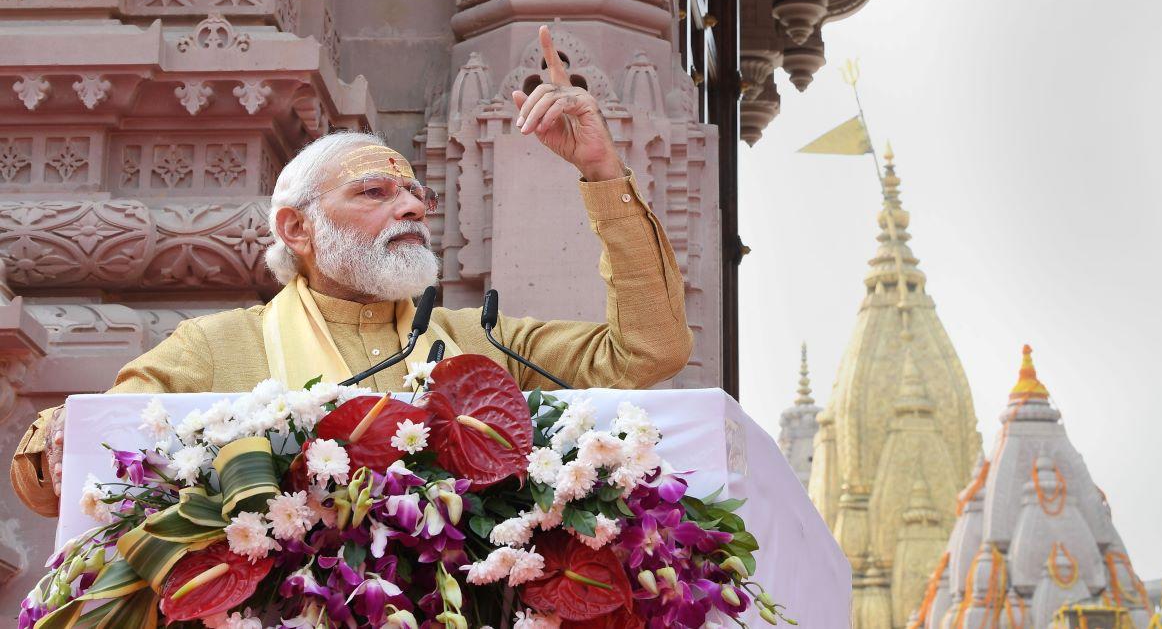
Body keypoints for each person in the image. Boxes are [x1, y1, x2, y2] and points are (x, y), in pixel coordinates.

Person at [10, 26, 692, 517]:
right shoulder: (216, 348)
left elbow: (650, 351)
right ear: (296, 228)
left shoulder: (483, 342)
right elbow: (51, 485)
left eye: (416, 196)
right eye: (374, 193)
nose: (412, 208)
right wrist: (64, 437)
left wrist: (603, 172)